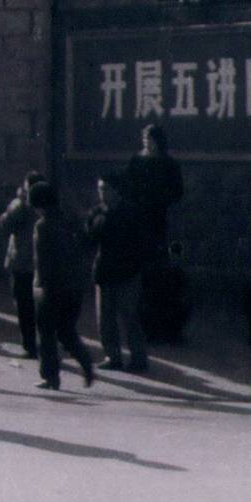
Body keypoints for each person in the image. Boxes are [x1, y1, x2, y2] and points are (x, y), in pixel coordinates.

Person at [30, 181, 95, 391]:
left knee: (46, 333)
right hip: (73, 285)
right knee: (67, 332)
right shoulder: (69, 220)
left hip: (52, 287)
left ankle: (50, 376)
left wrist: (39, 285)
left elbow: (42, 260)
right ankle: (86, 363)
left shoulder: (42, 225)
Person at [85, 172, 148, 372]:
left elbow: (140, 242)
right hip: (104, 270)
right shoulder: (96, 213)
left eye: (106, 189)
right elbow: (89, 240)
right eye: (100, 189)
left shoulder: (131, 213)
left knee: (130, 317)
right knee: (105, 318)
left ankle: (138, 358)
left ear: (116, 190)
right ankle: (113, 356)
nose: (102, 193)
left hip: (127, 272)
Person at [0, 171, 45, 359]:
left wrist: (14, 204)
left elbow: (5, 223)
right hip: (38, 262)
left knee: (23, 305)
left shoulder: (21, 206)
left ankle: (29, 345)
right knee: (38, 306)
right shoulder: (46, 204)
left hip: (21, 261)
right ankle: (43, 342)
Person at [125, 123, 184, 265]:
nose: (147, 143)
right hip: (137, 212)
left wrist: (161, 198)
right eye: (145, 139)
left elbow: (177, 190)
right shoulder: (136, 161)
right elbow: (127, 185)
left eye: (150, 139)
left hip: (159, 213)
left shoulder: (169, 164)